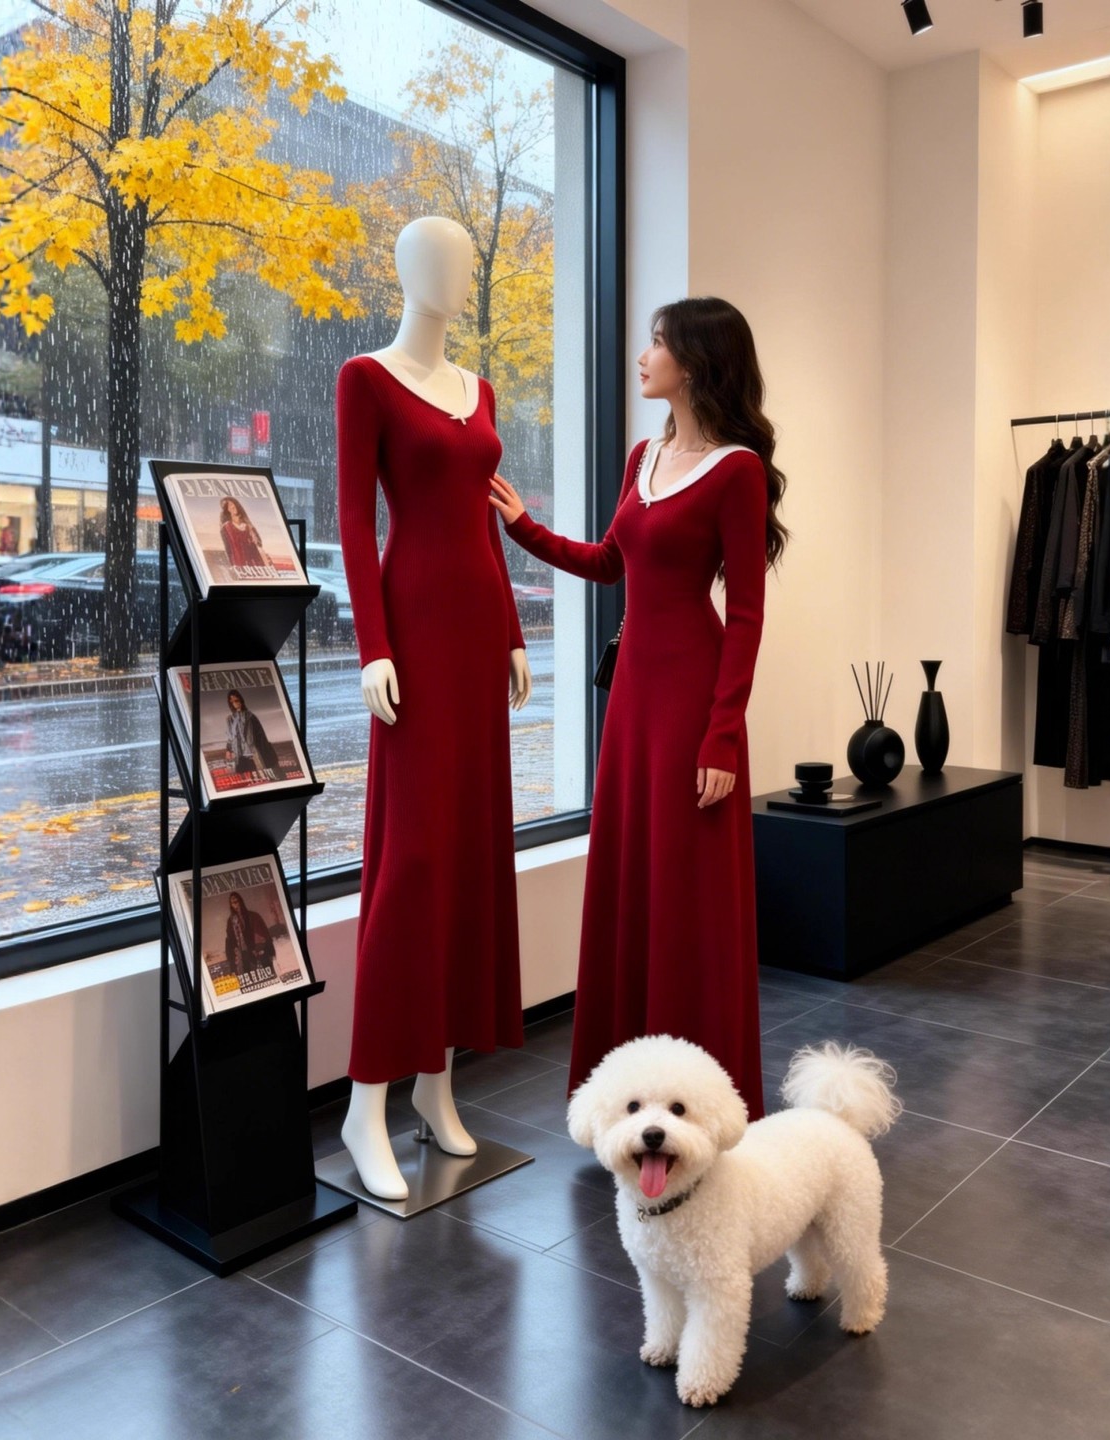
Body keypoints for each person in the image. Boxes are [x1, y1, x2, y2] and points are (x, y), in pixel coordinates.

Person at [490, 296, 788, 1118]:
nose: (643, 355)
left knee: (687, 893)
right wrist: (525, 529)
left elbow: (747, 615)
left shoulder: (736, 470)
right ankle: (624, 1092)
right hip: (633, 702)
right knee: (630, 880)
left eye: (657, 343)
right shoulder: (642, 457)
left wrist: (722, 737)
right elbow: (609, 563)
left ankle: (702, 1102)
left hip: (694, 700)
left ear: (693, 362)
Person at [337, 216, 531, 1201]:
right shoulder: (365, 379)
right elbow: (352, 518)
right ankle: (364, 1103)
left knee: (466, 857)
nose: (456, 275)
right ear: (406, 270)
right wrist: (372, 646)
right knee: (411, 866)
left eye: (464, 260)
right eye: (438, 259)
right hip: (411, 635)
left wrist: (513, 633)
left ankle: (436, 1085)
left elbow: (487, 527)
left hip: (475, 640)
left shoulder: (479, 391)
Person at [224, 688, 282, 780]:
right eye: (232, 702)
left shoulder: (250, 717)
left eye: (236, 700)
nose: (234, 703)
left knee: (263, 777)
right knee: (246, 779)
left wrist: (265, 754)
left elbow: (261, 736)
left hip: (253, 754)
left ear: (241, 700)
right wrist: (228, 749)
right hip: (239, 755)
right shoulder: (230, 719)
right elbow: (230, 737)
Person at [223, 890, 274, 978]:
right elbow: (230, 939)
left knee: (266, 973)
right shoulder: (231, 921)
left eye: (236, 901)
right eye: (232, 903)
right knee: (249, 975)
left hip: (256, 950)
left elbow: (263, 933)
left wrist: (261, 947)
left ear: (240, 901)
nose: (235, 904)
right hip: (243, 954)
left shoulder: (252, 916)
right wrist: (233, 956)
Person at [219, 497, 269, 570]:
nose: (232, 507)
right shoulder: (226, 527)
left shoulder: (249, 527)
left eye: (232, 504)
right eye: (228, 506)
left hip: (254, 563)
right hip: (240, 563)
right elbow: (228, 549)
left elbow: (259, 544)